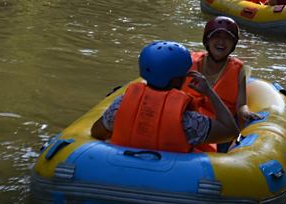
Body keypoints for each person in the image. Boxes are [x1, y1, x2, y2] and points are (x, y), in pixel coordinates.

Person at [90, 41, 239, 152]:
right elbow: (230, 132)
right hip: (169, 181)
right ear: (177, 80)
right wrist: (210, 93)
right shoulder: (188, 121)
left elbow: (96, 132)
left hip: (117, 171)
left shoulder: (120, 105)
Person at [184, 17, 260, 152]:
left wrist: (246, 112)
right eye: (216, 36)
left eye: (227, 38)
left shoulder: (238, 69)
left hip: (219, 126)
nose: (221, 42)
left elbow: (241, 105)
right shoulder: (189, 61)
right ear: (207, 40)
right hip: (189, 120)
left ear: (233, 44)